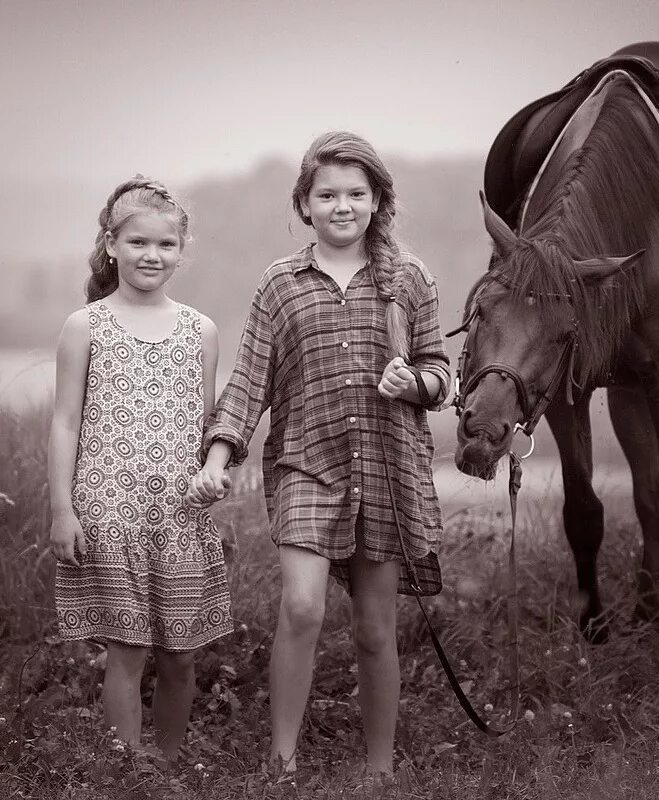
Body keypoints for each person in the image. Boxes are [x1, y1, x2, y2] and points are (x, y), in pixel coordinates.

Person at [188, 132, 451, 780]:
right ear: (304, 204)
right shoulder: (280, 284)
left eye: (355, 193)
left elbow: (442, 373)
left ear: (377, 200)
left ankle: (380, 769)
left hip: (388, 471)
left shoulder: (409, 279)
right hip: (307, 464)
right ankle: (281, 761)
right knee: (302, 606)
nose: (342, 205)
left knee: (373, 627)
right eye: (326, 194)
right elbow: (249, 380)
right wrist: (219, 459)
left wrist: (413, 383)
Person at [49, 176, 232, 758]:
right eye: (137, 243)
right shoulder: (85, 327)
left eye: (165, 245)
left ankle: (170, 762)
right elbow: (65, 424)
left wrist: (214, 470)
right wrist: (61, 510)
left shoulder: (200, 331)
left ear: (181, 251)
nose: (151, 255)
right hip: (109, 513)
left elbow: (206, 424)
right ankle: (130, 768)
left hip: (178, 516)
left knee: (180, 653)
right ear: (111, 244)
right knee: (126, 650)